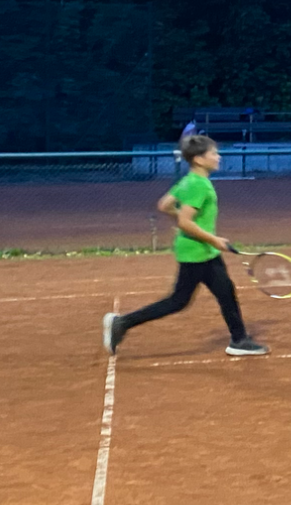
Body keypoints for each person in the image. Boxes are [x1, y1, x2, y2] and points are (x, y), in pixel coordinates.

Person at [103, 135, 267, 356]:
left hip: (200, 250)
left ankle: (239, 339)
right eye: (213, 153)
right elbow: (185, 222)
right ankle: (122, 323)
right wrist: (214, 240)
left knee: (225, 292)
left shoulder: (189, 180)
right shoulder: (199, 185)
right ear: (199, 159)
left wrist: (196, 230)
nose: (218, 157)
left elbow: (164, 205)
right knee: (178, 301)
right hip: (198, 252)